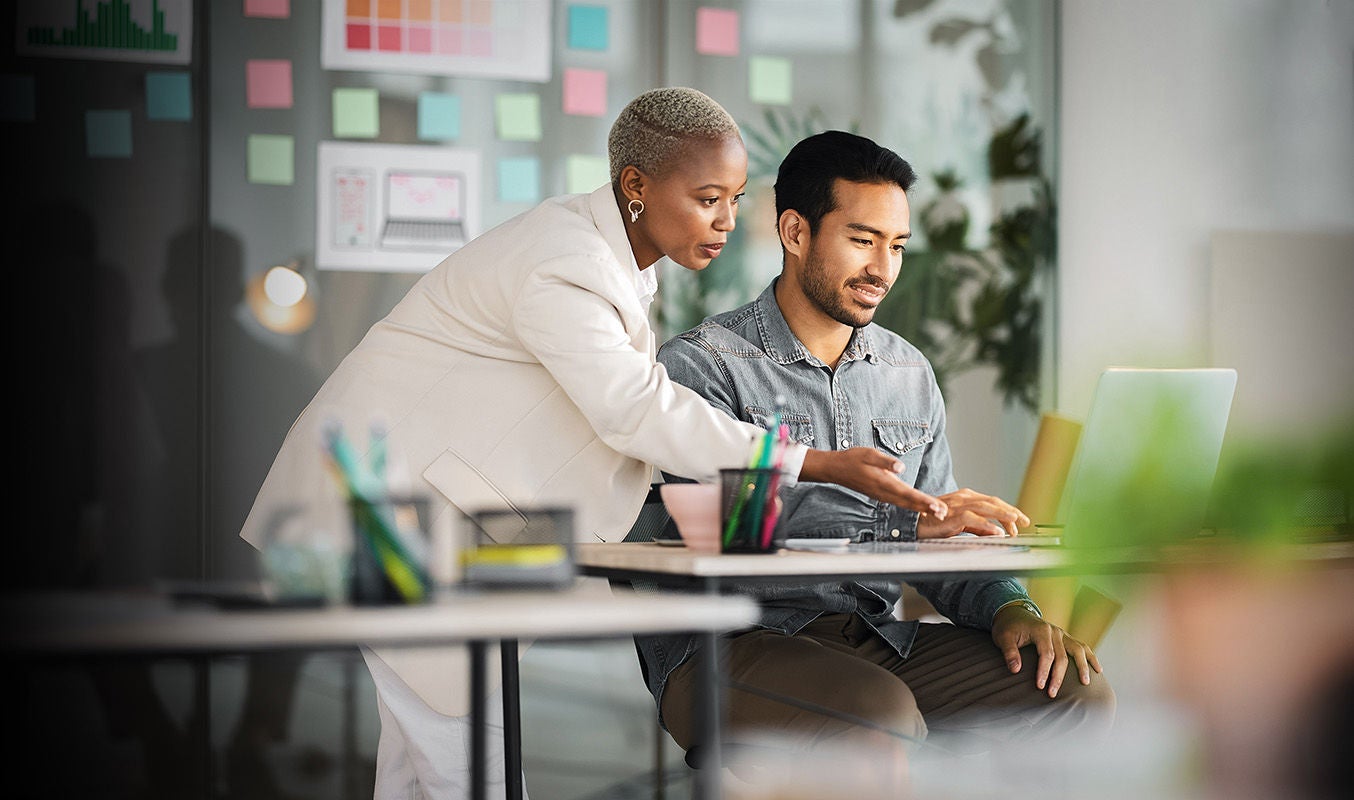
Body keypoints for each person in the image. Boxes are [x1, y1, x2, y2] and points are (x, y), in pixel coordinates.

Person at [239, 89, 948, 799]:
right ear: (636, 186)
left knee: (424, 769)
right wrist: (814, 462)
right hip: (380, 519)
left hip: (413, 521)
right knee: (471, 770)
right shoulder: (565, 261)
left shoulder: (609, 263)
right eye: (708, 198)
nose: (728, 221)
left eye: (734, 199)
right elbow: (632, 408)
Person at [635, 130, 1116, 789]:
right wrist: (905, 530)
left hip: (875, 640)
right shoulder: (704, 366)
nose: (884, 269)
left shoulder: (907, 373)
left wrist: (1015, 611)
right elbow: (731, 542)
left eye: (897, 246)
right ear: (796, 232)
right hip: (729, 647)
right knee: (878, 713)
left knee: (1072, 693)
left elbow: (946, 543)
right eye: (863, 240)